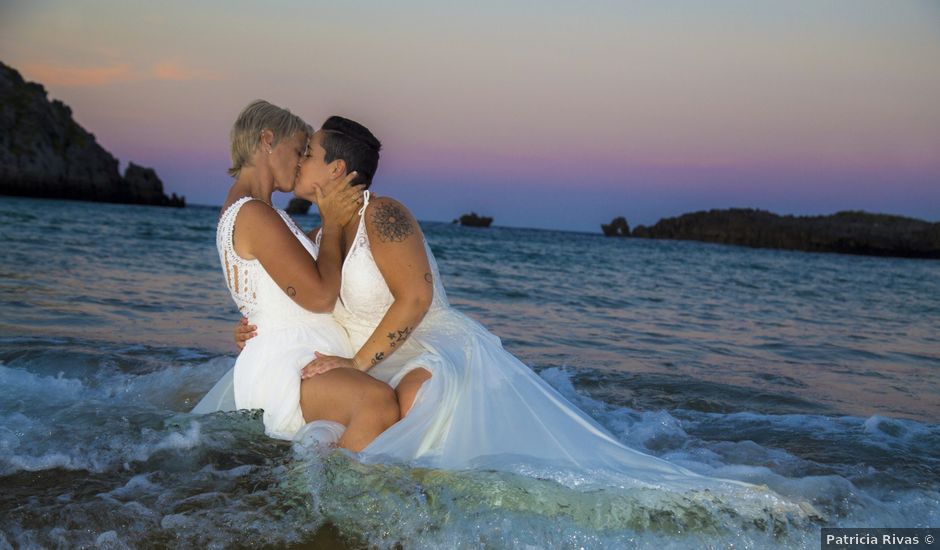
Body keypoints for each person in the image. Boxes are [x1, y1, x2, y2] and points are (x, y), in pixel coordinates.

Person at [233, 116, 731, 488]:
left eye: (310, 153)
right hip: (369, 364)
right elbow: (304, 293)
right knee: (362, 427)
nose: (299, 160)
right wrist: (258, 326)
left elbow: (416, 299)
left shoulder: (385, 215)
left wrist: (358, 365)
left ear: (337, 168)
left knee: (410, 417)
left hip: (425, 351)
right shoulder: (326, 234)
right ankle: (330, 511)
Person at [193, 100, 399, 452]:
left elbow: (283, 283)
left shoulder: (265, 212)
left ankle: (322, 492)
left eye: (307, 153)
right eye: (299, 149)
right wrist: (333, 224)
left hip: (300, 355)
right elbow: (320, 296)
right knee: (375, 403)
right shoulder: (253, 213)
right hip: (288, 366)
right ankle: (335, 499)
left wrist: (352, 218)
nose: (302, 161)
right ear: (268, 140)